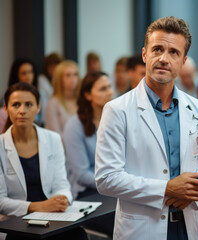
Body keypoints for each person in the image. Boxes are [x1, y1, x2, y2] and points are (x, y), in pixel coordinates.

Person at [95, 16, 198, 240]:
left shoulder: (197, 108)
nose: (164, 58)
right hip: (142, 229)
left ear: (183, 62)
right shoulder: (117, 110)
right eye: (157, 49)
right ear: (145, 54)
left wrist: (193, 195)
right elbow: (107, 178)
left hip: (189, 225)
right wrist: (167, 189)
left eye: (174, 52)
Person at [0, 82, 87, 240]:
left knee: (78, 235)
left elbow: (62, 184)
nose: (22, 111)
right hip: (17, 223)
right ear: (6, 109)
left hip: (51, 216)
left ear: (38, 107)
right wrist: (36, 206)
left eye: (28, 104)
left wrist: (63, 199)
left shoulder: (52, 139)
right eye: (16, 105)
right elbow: (0, 201)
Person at [63, 72, 114, 236]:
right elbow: (81, 174)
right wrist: (113, 183)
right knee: (122, 221)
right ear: (87, 95)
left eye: (110, 87)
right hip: (87, 193)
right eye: (103, 89)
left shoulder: (115, 119)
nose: (110, 92)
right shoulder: (74, 126)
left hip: (113, 187)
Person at [45, 60, 81, 138]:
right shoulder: (53, 103)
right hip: (62, 148)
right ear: (59, 79)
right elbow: (55, 135)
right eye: (68, 75)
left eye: (75, 74)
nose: (73, 79)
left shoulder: (82, 101)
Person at [1, 59, 40, 128]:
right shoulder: (9, 96)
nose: (28, 77)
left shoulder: (40, 94)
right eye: (24, 73)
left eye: (31, 72)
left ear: (38, 106)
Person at [38, 53, 63, 124]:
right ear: (46, 67)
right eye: (51, 66)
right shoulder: (42, 80)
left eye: (56, 66)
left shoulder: (63, 80)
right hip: (45, 118)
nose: (54, 69)